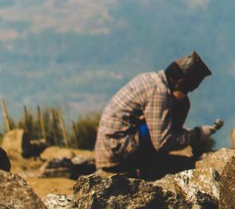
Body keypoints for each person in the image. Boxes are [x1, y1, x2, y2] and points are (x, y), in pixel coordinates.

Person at [94, 51, 222, 177]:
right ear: (180, 83)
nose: (187, 93)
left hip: (108, 150)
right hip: (117, 154)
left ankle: (153, 163)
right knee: (181, 104)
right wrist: (197, 134)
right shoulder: (159, 92)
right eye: (188, 89)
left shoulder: (150, 78)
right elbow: (162, 142)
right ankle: (151, 166)